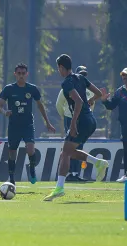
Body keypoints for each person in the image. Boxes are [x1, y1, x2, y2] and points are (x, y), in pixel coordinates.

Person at [44, 54, 109, 201]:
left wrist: (73, 123)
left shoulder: (67, 83)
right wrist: (91, 100)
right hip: (91, 120)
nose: (58, 71)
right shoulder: (81, 78)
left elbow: (78, 102)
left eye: (58, 69)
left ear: (61, 67)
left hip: (81, 121)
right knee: (68, 152)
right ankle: (98, 163)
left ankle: (59, 188)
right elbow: (98, 93)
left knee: (65, 153)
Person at [0, 62, 56, 185]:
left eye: (23, 73)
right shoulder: (8, 89)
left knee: (30, 149)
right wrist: (4, 112)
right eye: (19, 73)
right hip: (14, 126)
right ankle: (12, 179)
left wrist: (48, 123)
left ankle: (32, 169)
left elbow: (40, 106)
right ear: (15, 74)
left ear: (27, 74)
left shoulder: (32, 89)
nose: (21, 76)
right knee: (12, 152)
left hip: (27, 124)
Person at [55, 65, 94, 182]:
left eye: (84, 74)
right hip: (70, 118)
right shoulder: (68, 86)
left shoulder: (86, 90)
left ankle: (75, 174)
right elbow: (58, 104)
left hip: (82, 119)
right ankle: (70, 173)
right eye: (81, 74)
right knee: (69, 149)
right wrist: (66, 116)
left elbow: (89, 104)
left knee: (74, 148)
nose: (82, 76)